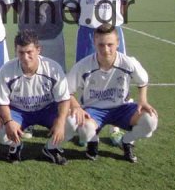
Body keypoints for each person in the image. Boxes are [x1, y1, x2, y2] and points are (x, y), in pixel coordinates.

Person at [67, 24, 158, 163]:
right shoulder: (83, 65)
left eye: (110, 44)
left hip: (122, 108)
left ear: (118, 43)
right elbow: (67, 90)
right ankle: (93, 141)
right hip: (93, 110)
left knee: (150, 120)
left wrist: (143, 100)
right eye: (101, 45)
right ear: (94, 43)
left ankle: (127, 141)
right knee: (80, 126)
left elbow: (143, 80)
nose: (106, 49)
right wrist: (76, 106)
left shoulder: (128, 62)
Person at [0, 30, 75, 165]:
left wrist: (60, 121)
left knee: (72, 122)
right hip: (19, 111)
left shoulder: (53, 68)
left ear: (38, 50)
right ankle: (15, 146)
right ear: (16, 51)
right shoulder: (6, 70)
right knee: (0, 128)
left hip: (46, 110)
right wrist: (8, 122)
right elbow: (1, 102)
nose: (25, 57)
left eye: (29, 52)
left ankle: (51, 148)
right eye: (21, 52)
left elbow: (64, 99)